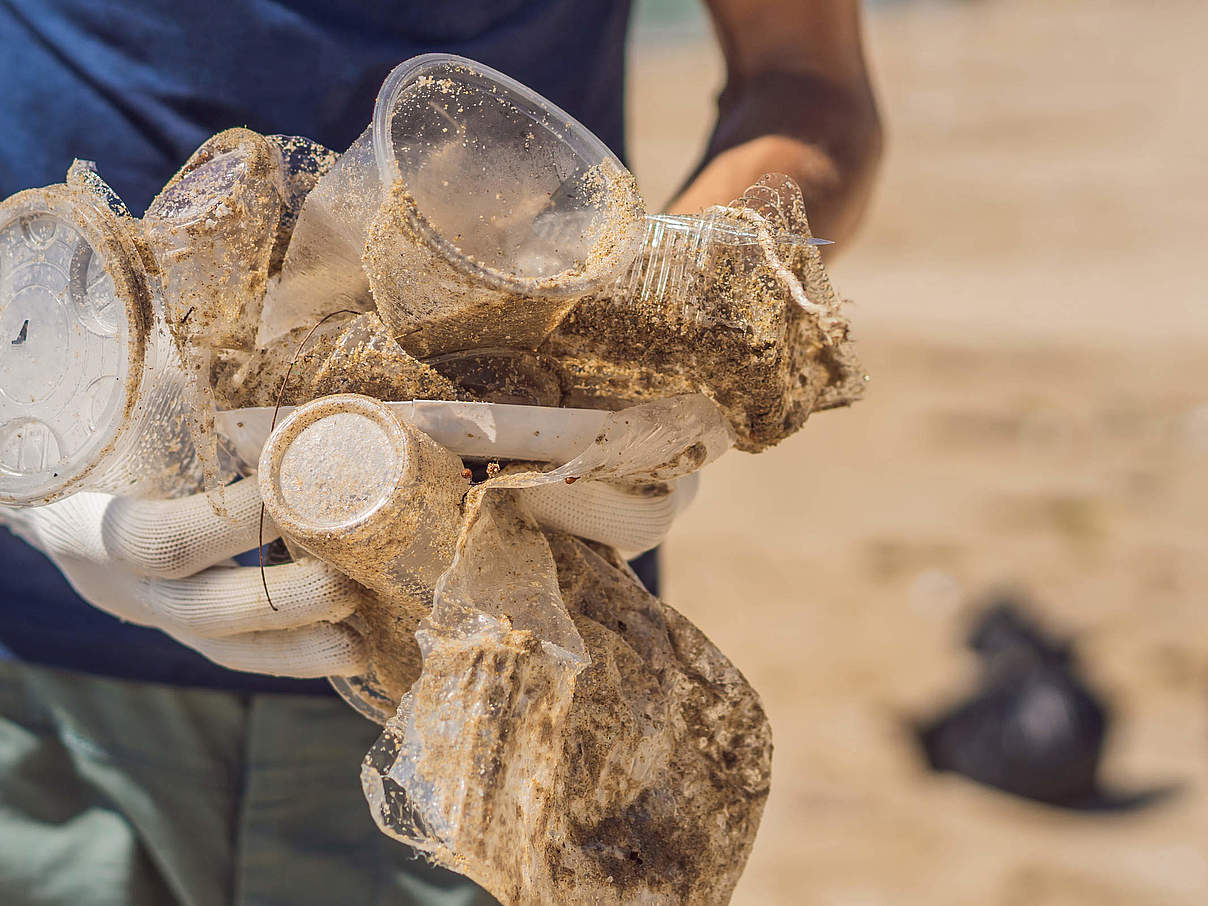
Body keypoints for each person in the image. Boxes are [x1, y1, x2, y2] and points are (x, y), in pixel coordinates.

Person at [0, 1, 882, 903]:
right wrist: (26, 474)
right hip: (39, 691)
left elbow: (805, 77)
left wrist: (675, 323)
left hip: (514, 664)